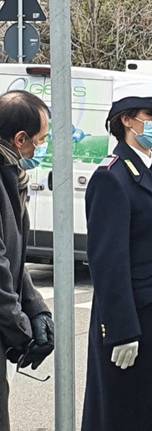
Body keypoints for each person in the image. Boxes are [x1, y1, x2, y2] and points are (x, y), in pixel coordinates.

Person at [82, 88, 152, 430]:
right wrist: (120, 330)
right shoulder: (112, 177)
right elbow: (108, 261)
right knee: (134, 411)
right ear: (127, 121)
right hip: (139, 317)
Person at [0, 90, 54, 431]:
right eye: (40, 140)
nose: (41, 147)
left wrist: (36, 309)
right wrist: (22, 332)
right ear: (20, 139)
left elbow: (14, 258)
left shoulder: (10, 174)